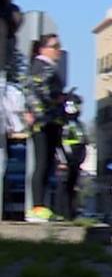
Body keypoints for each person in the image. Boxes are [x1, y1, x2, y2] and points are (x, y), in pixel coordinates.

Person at [23, 34, 66, 222]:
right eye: (54, 46)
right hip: (44, 121)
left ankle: (42, 206)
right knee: (42, 164)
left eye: (59, 46)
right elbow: (37, 90)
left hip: (50, 120)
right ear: (43, 49)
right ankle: (37, 207)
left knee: (48, 164)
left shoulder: (47, 67)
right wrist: (56, 99)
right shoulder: (41, 66)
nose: (58, 50)